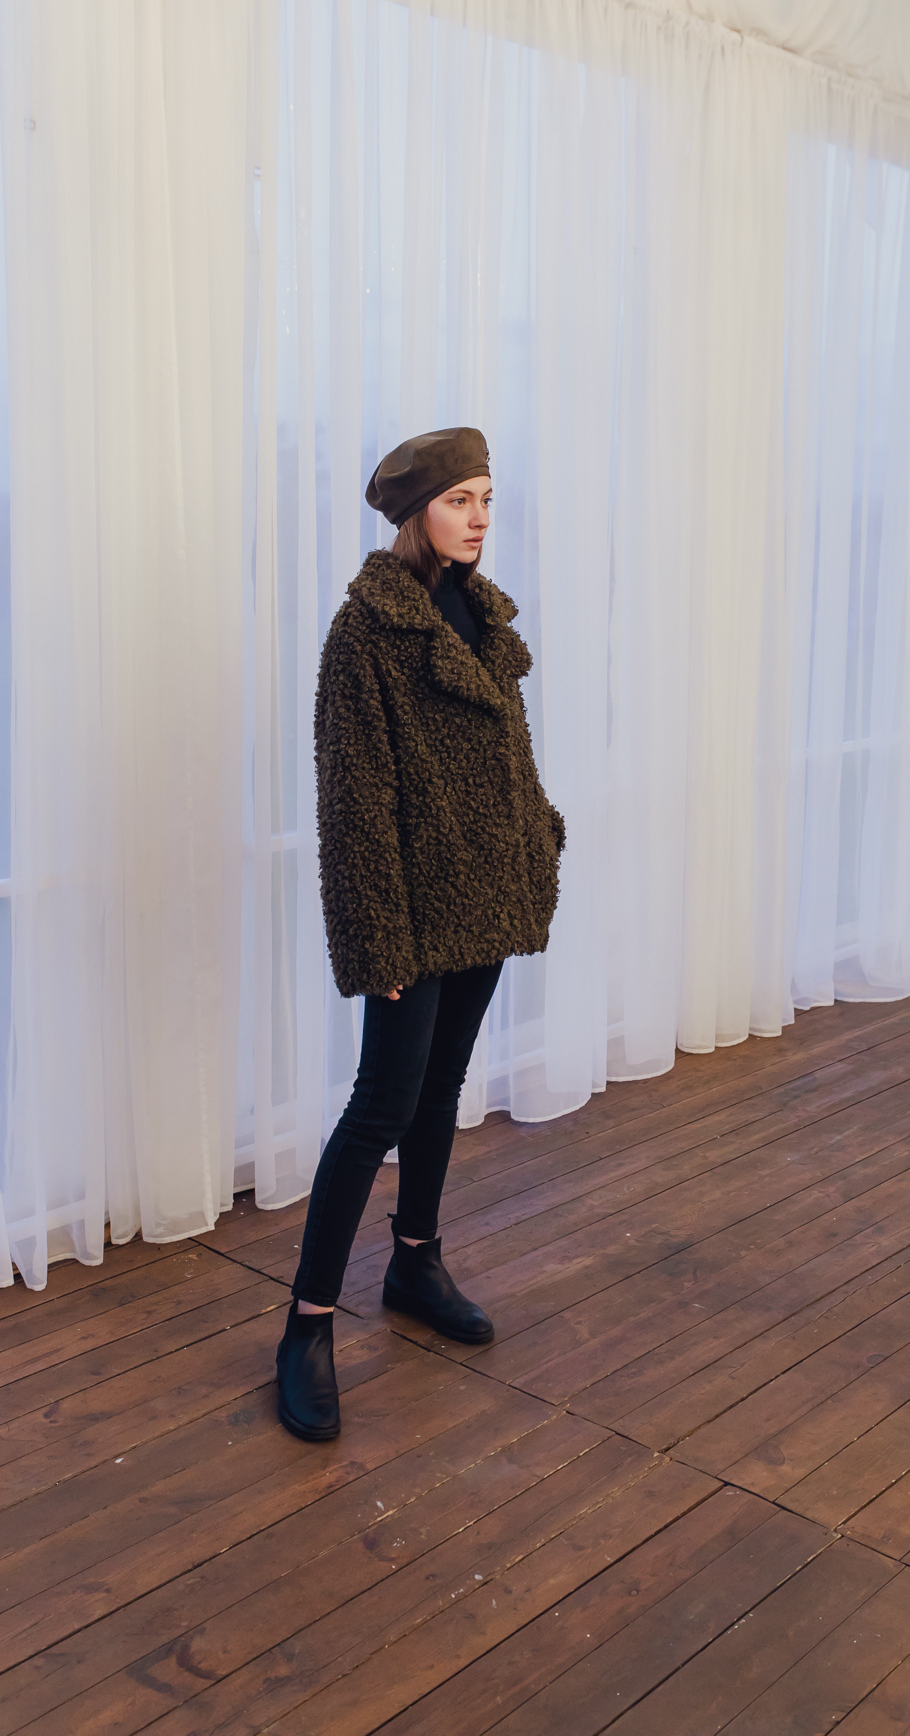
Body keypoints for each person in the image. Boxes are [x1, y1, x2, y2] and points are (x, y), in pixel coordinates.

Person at [275, 426, 566, 1441]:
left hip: (487, 889)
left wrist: (537, 837)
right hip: (412, 904)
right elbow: (354, 802)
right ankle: (306, 1323)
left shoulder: (480, 612)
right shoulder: (365, 633)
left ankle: (414, 1261)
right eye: (457, 500)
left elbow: (506, 756)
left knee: (443, 1088)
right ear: (413, 513)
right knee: (379, 1106)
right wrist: (377, 940)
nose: (479, 517)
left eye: (486, 496)